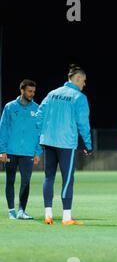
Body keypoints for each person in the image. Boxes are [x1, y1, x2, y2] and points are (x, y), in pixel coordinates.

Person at [35, 64, 93, 225]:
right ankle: (66, 217)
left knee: (49, 177)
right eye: (84, 81)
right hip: (66, 143)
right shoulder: (79, 97)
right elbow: (83, 123)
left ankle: (48, 215)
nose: (84, 84)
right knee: (67, 179)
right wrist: (88, 144)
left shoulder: (52, 94)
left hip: (48, 141)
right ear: (78, 78)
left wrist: (41, 137)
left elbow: (39, 116)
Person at [0, 79, 42, 220]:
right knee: (10, 180)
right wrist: (2, 150)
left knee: (26, 181)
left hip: (28, 152)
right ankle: (11, 211)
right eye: (29, 91)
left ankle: (21, 211)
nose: (32, 94)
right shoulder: (10, 107)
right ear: (22, 90)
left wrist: (38, 151)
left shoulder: (37, 109)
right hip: (11, 151)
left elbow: (40, 131)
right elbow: (3, 129)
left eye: (33, 92)